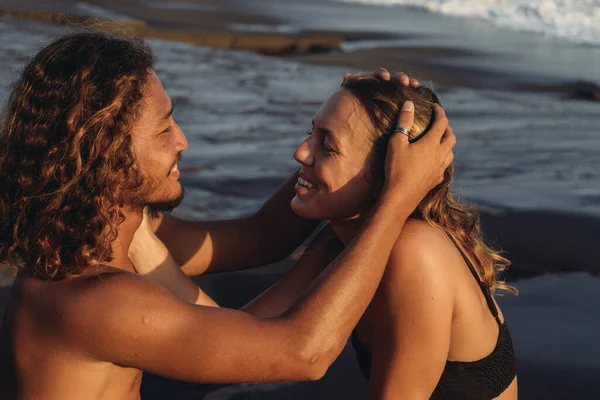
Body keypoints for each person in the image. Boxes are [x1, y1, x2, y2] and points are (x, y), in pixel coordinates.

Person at [0, 32, 454, 399]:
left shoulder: (98, 231)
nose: (182, 141)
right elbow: (304, 353)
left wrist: (360, 121)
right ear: (104, 153)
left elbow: (263, 236)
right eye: (163, 130)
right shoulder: (95, 300)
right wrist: (396, 197)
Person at [133, 74, 517, 399]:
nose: (300, 153)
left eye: (327, 145)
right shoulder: (341, 243)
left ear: (389, 172)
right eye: (310, 133)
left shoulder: (417, 252)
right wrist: (135, 235)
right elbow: (231, 340)